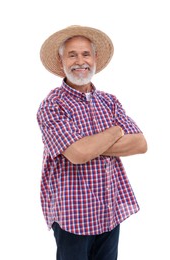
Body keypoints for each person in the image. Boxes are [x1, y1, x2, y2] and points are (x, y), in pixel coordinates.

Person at [37, 25, 147, 260]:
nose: (80, 61)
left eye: (86, 54)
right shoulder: (52, 105)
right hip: (73, 216)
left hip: (109, 211)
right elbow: (78, 154)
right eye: (72, 54)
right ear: (61, 62)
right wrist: (115, 131)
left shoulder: (109, 101)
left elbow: (140, 144)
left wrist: (89, 147)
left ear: (95, 58)